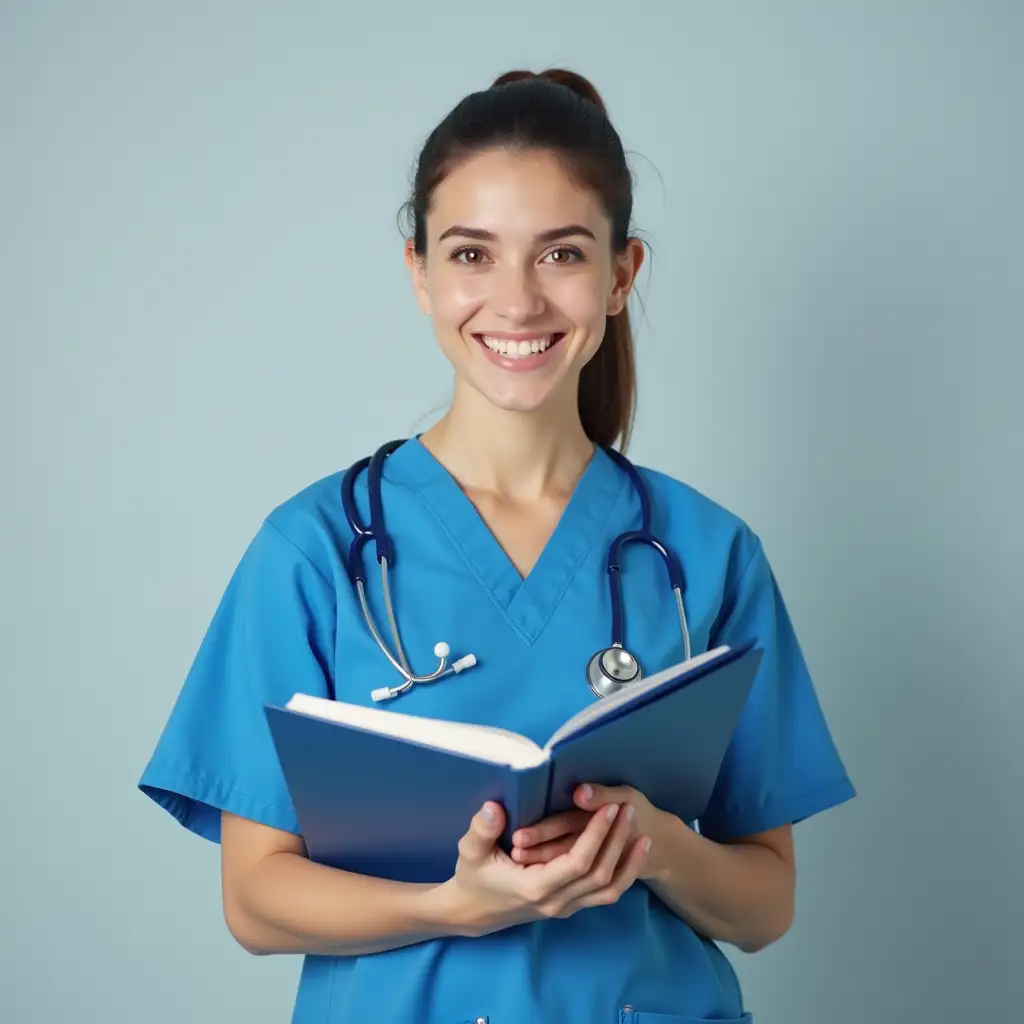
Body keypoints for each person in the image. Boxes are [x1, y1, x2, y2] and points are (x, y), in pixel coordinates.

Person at [139, 68, 855, 1023]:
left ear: (621, 275)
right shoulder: (313, 554)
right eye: (473, 255)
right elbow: (257, 901)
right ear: (420, 272)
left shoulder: (708, 553)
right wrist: (455, 908)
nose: (516, 302)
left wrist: (648, 840)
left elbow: (766, 904)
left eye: (560, 254)